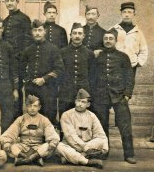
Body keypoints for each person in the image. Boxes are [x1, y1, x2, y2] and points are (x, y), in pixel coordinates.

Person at [91, 28, 136, 164]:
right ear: (103, 41)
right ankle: (104, 151)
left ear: (116, 40)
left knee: (125, 125)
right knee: (102, 126)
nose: (108, 41)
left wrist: (127, 94)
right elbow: (92, 75)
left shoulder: (123, 57)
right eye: (106, 39)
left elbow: (129, 76)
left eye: (111, 39)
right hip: (100, 96)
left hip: (119, 95)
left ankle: (129, 154)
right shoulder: (97, 56)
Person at [21, 19, 64, 127]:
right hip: (31, 89)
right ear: (32, 32)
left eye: (40, 30)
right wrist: (27, 80)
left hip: (48, 90)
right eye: (35, 30)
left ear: (45, 31)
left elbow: (59, 69)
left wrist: (44, 79)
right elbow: (21, 68)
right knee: (32, 118)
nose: (37, 33)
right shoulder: (27, 50)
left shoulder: (53, 49)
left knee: (48, 118)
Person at [0, 95, 60, 166]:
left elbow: (53, 137)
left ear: (39, 107)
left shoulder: (44, 120)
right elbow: (9, 134)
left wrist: (52, 143)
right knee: (9, 145)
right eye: (30, 106)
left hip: (38, 148)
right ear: (26, 107)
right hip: (22, 148)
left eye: (35, 106)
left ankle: (28, 159)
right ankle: (32, 159)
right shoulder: (20, 119)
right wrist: (7, 143)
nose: (32, 108)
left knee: (50, 145)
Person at [57, 89, 108, 169]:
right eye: (78, 101)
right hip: (71, 145)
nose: (79, 104)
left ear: (88, 104)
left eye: (83, 102)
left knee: (102, 140)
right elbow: (71, 137)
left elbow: (100, 134)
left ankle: (72, 158)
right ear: (75, 101)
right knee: (59, 146)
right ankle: (88, 161)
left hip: (88, 145)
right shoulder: (66, 115)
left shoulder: (92, 116)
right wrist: (86, 149)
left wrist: (90, 146)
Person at [3, 0, 32, 117]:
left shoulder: (24, 18)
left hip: (19, 61)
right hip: (7, 61)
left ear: (17, 2)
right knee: (9, 90)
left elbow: (27, 40)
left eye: (12, 0)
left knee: (18, 89)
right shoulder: (5, 20)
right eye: (7, 1)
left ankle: (19, 117)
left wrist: (21, 57)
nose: (10, 3)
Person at [58, 23, 95, 121]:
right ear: (70, 35)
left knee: (82, 120)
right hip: (66, 92)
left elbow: (92, 74)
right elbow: (59, 72)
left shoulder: (89, 53)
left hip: (83, 92)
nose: (77, 36)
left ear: (83, 36)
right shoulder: (62, 52)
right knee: (64, 119)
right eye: (74, 33)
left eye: (79, 33)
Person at [111, 2, 148, 75]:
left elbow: (144, 50)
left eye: (129, 12)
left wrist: (138, 62)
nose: (127, 15)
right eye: (124, 12)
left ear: (134, 14)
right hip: (115, 66)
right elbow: (106, 46)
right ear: (121, 14)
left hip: (131, 66)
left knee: (129, 85)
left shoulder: (138, 32)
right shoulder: (113, 30)